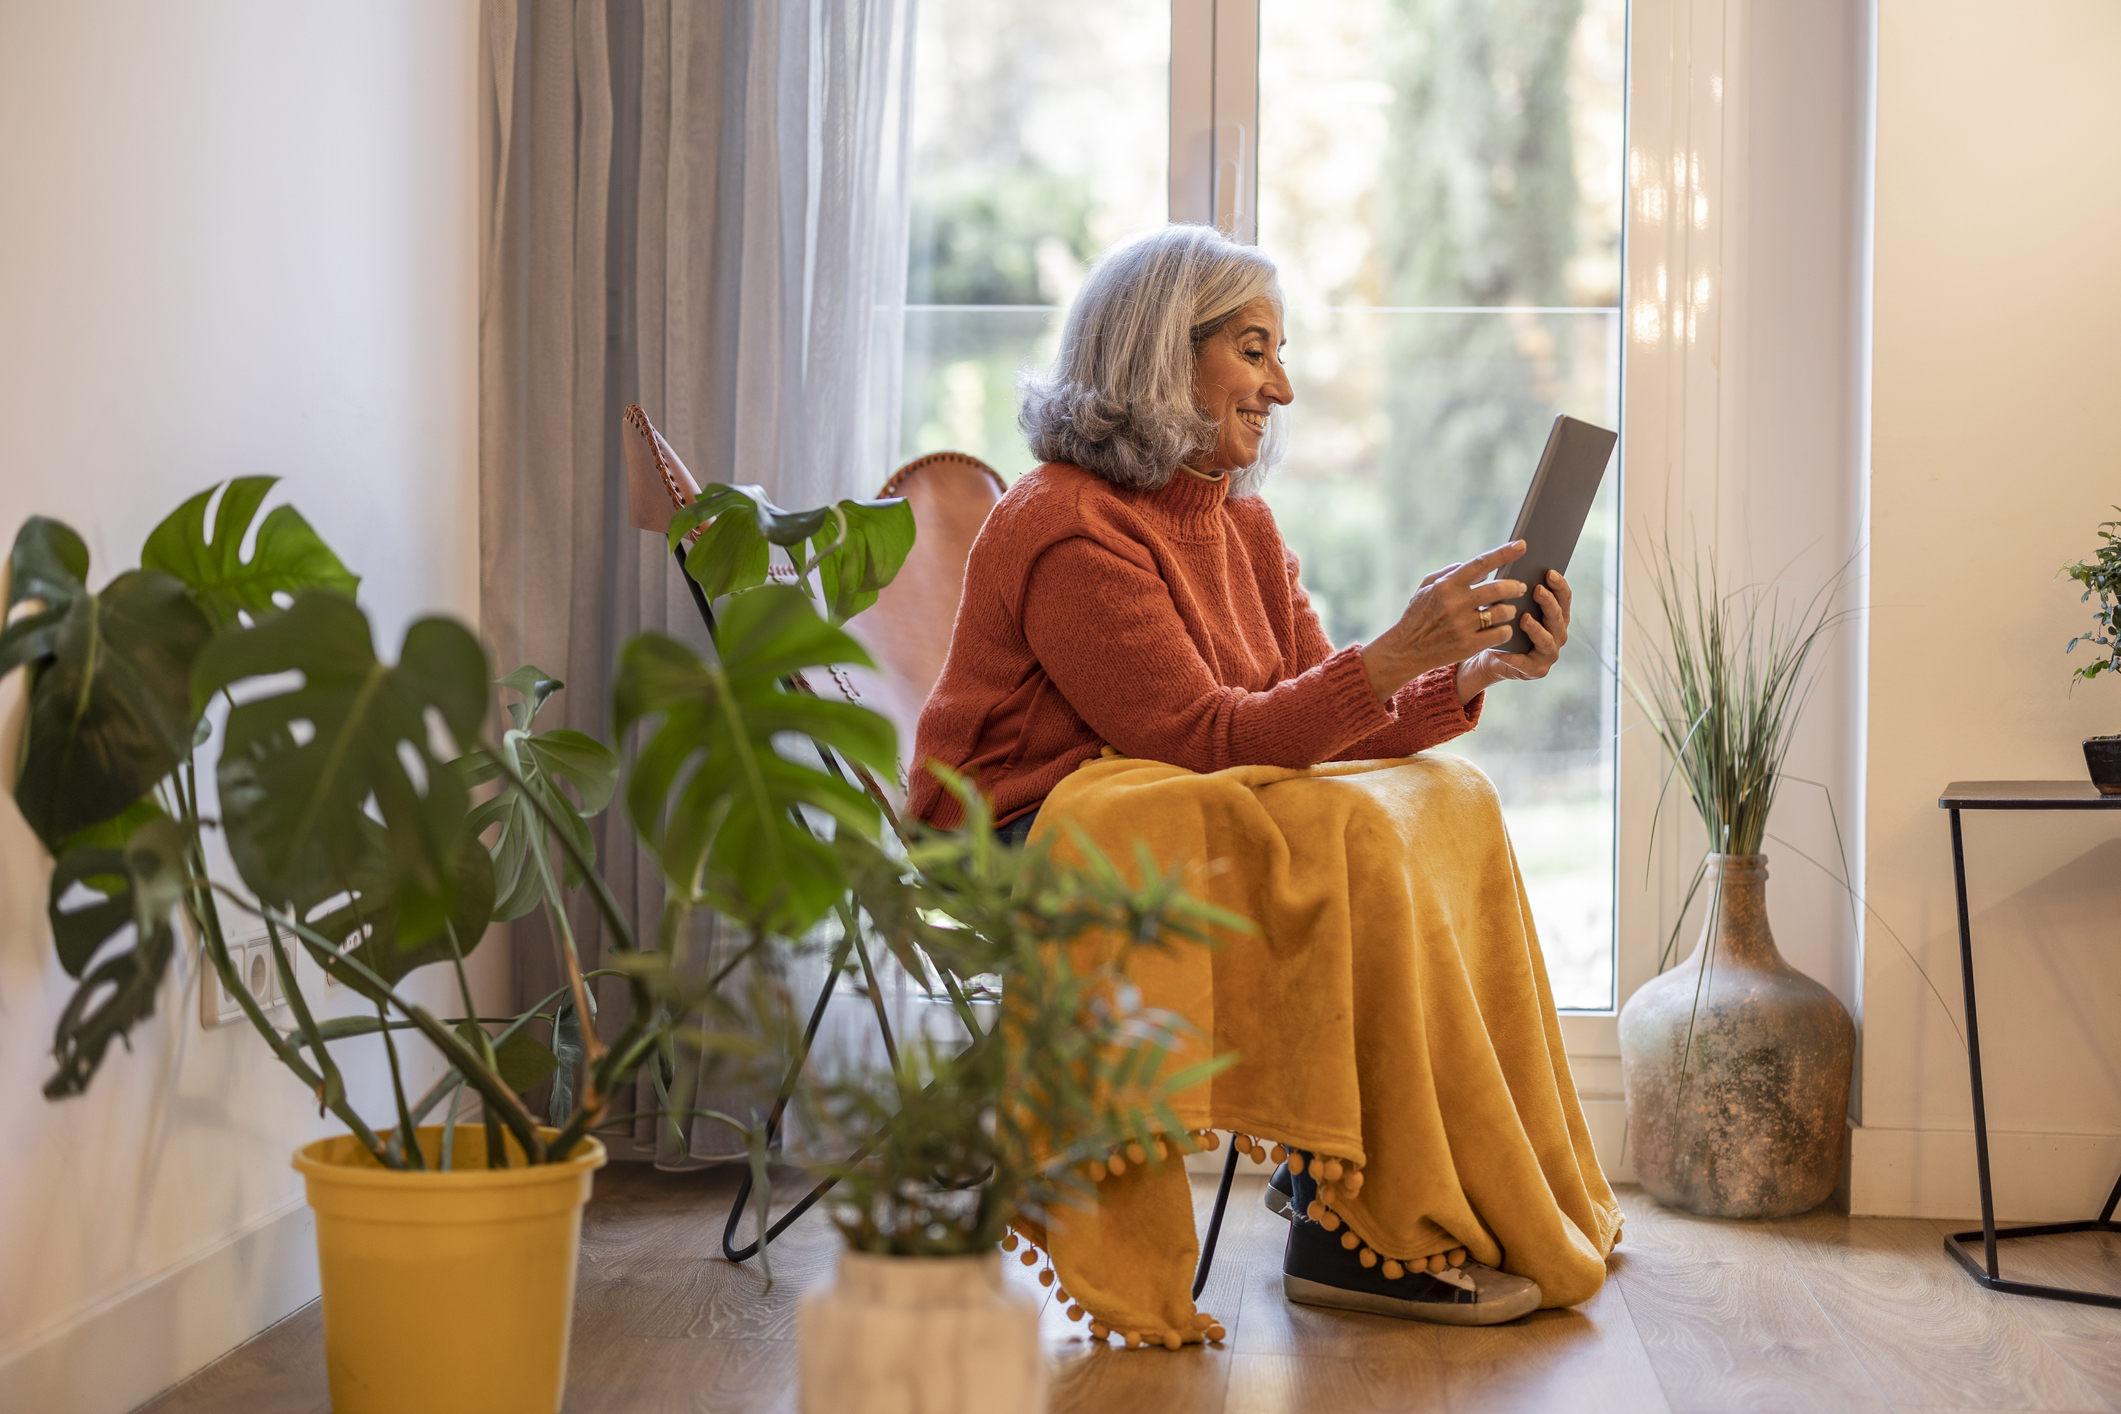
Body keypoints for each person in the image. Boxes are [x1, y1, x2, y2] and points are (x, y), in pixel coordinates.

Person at [907, 223, 1611, 1331]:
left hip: (1161, 793)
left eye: (1279, 353)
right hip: (1024, 831)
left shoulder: (1240, 518)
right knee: (1348, 837)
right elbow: (1201, 734)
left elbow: (1307, 719)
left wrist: (1465, 666)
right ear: (1159, 352)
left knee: (1451, 798)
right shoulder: (1062, 523)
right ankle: (1347, 1225)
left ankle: (1353, 1187)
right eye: (1253, 349)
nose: (1281, 385)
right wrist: (1388, 654)